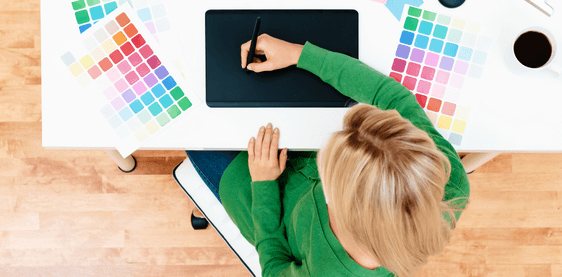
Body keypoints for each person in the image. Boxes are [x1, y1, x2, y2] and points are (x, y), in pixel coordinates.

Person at [186, 34, 470, 277]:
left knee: (189, 121)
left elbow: (273, 268)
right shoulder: (442, 172)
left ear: (334, 203)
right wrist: (299, 54)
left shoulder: (327, 271)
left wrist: (263, 184)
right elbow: (395, 99)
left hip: (253, 191)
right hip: (287, 153)